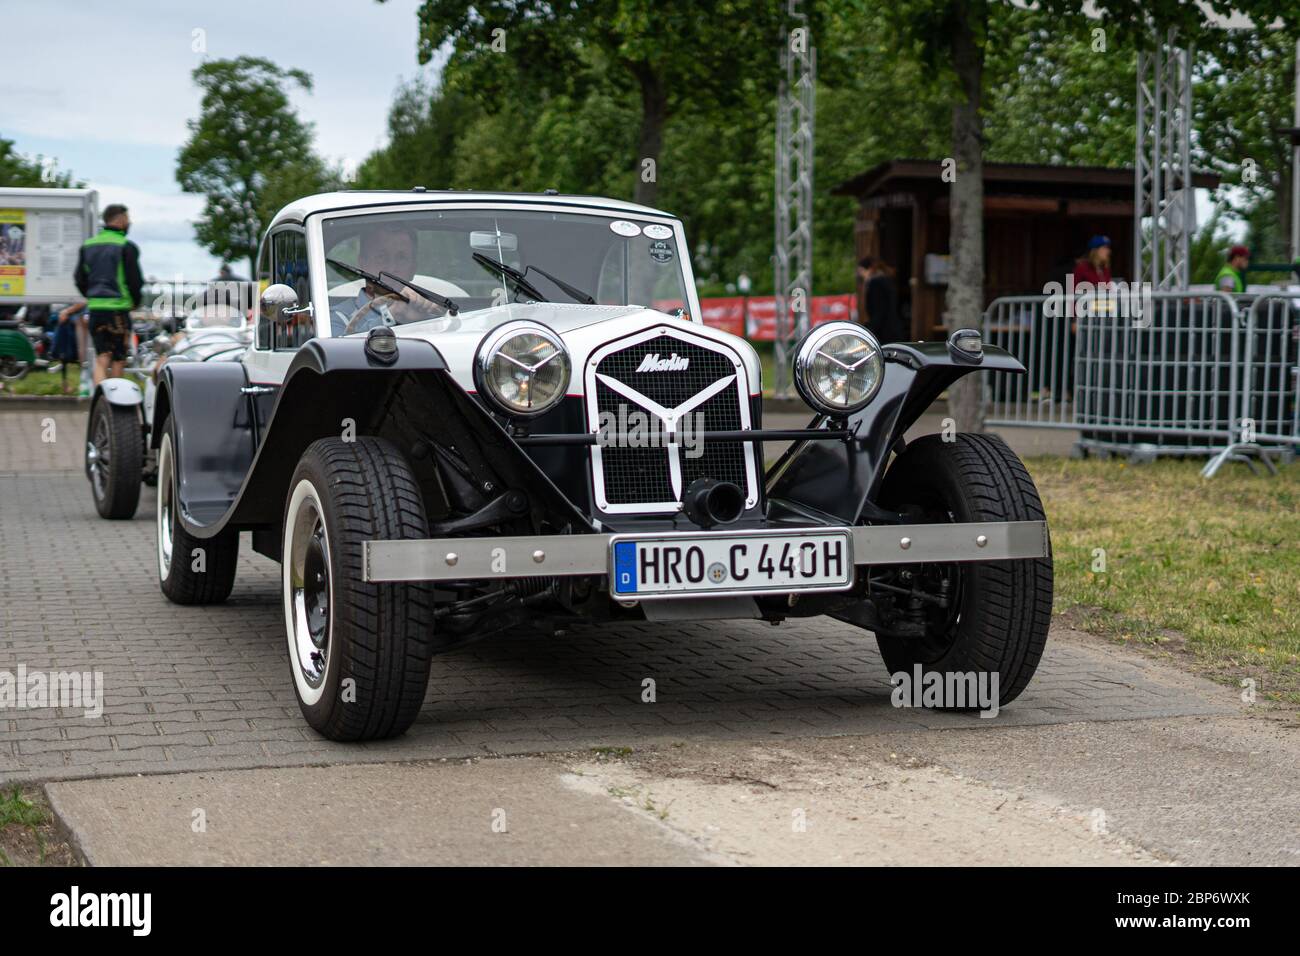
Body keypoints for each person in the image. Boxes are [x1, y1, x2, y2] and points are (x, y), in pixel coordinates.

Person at [330, 225, 443, 336]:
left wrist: (424, 321)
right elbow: (344, 351)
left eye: (401, 258)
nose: (391, 268)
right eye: (381, 257)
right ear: (362, 264)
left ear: (413, 268)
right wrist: (392, 315)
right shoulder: (337, 317)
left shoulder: (433, 319)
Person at [74, 204, 143, 384]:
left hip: (96, 309)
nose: (130, 223)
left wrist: (91, 296)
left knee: (102, 357)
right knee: (119, 358)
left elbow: (79, 278)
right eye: (128, 219)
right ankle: (115, 403)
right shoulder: (126, 246)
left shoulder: (88, 246)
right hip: (118, 310)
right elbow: (134, 280)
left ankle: (99, 402)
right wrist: (135, 302)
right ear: (120, 220)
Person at [857, 256, 905, 343]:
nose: (861, 275)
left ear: (870, 269)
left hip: (883, 330)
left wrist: (871, 329)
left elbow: (878, 309)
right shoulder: (887, 280)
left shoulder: (875, 283)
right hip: (893, 327)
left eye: (861, 271)